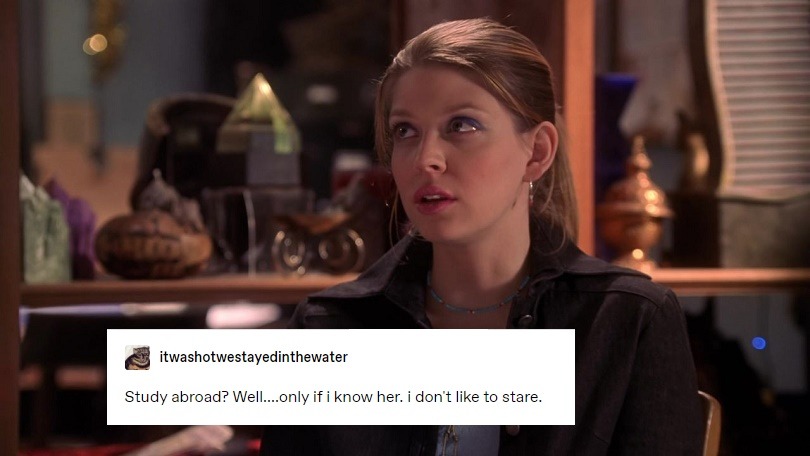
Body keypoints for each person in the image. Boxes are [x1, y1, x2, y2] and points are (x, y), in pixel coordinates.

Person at [261, 18, 703, 455]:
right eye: (405, 131)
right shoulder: (328, 328)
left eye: (462, 125)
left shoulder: (626, 320)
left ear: (537, 152)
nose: (426, 159)